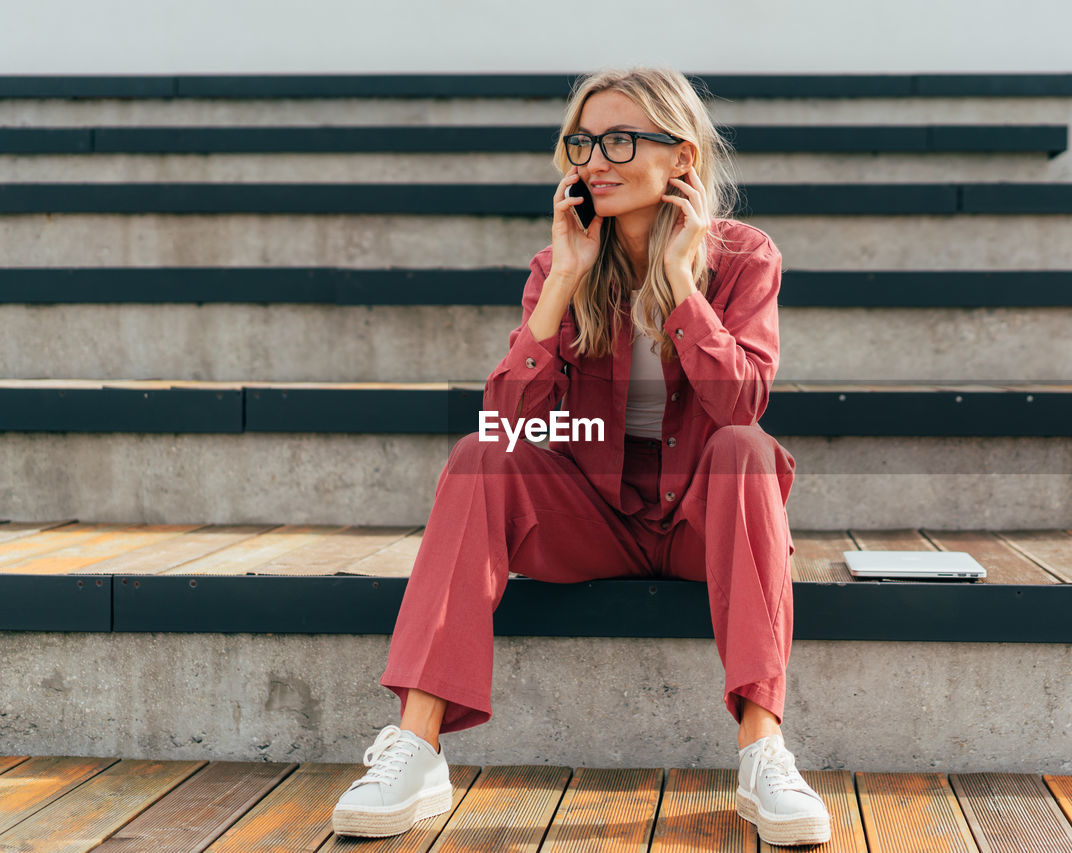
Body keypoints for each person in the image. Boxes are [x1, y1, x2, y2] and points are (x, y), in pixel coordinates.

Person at [330, 66, 831, 847]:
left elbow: (741, 403)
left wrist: (678, 285)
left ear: (682, 159)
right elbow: (507, 421)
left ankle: (764, 751)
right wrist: (564, 279)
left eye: (620, 139)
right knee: (476, 455)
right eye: (582, 141)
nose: (594, 158)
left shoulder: (742, 257)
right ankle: (417, 747)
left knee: (743, 449)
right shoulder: (556, 266)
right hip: (592, 518)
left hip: (704, 522)